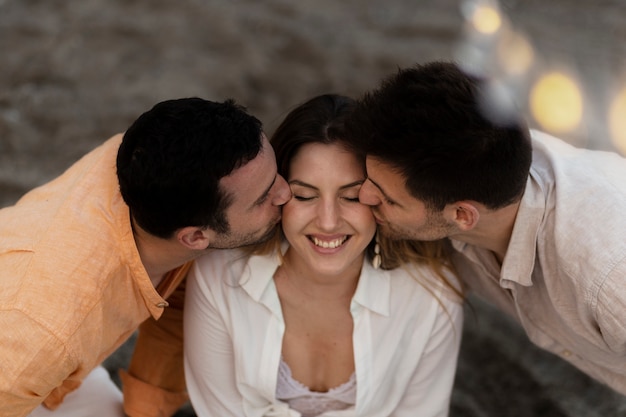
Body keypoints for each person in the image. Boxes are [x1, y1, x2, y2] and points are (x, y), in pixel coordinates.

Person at [342, 61, 626, 395]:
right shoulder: (479, 163)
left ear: (463, 215)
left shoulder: (609, 279)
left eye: (387, 199)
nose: (363, 195)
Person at [0, 97, 292, 417]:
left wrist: (144, 410)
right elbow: (34, 346)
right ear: (194, 237)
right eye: (264, 197)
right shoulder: (45, 333)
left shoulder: (147, 158)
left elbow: (180, 294)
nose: (286, 193)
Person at [183, 94, 464, 417]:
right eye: (304, 195)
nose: (328, 221)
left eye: (351, 196)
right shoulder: (219, 275)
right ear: (276, 195)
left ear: (380, 199)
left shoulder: (432, 295)